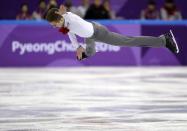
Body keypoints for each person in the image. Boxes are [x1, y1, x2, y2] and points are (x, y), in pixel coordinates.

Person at [45, 6, 179, 61]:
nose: (54, 27)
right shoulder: (64, 24)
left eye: (54, 24)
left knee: (129, 41)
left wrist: (64, 13)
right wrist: (77, 47)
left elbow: (69, 16)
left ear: (59, 18)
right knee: (89, 54)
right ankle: (88, 52)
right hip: (90, 35)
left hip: (98, 33)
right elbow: (70, 33)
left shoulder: (69, 17)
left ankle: (164, 40)